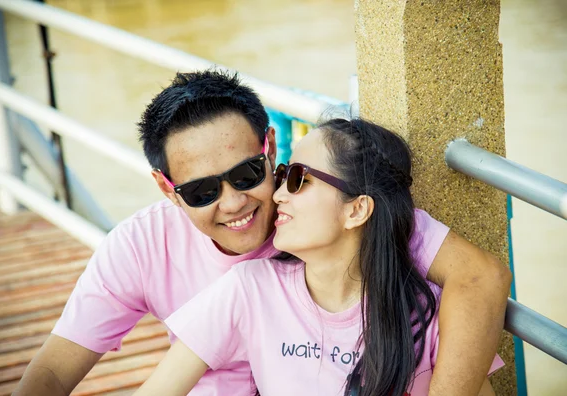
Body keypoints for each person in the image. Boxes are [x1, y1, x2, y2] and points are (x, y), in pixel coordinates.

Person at [14, 70, 511, 396]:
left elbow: (479, 277)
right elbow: (55, 370)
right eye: (202, 191)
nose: (236, 203)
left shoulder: (345, 225)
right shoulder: (151, 250)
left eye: (250, 174)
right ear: (167, 189)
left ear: (270, 147)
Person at [133, 118, 504, 396]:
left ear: (356, 210)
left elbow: (484, 276)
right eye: (281, 176)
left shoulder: (428, 315)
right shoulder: (249, 288)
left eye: (299, 179)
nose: (277, 195)